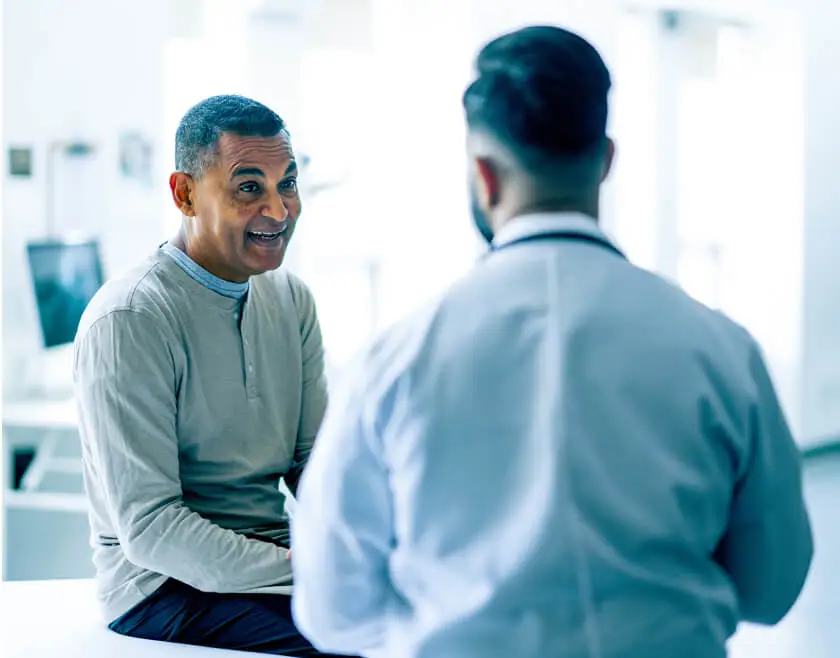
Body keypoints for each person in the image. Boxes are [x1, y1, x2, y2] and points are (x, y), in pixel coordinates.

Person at [290, 26, 814, 658]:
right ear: (606, 159)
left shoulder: (394, 361)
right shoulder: (723, 351)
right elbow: (772, 589)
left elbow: (333, 610)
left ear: (483, 176)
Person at [74, 95, 351, 657]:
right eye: (249, 187)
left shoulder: (291, 298)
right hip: (162, 589)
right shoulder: (131, 318)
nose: (278, 211)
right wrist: (310, 569)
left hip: (272, 566)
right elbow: (152, 529)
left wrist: (371, 541)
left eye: (288, 184)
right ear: (185, 194)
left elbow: (313, 466)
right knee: (365, 641)